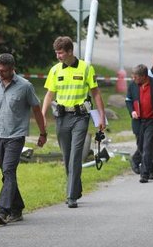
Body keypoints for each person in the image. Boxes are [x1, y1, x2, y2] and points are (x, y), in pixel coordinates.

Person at [0, 53, 47, 225]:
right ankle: (17, 207)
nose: (0, 74)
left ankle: (3, 210)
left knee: (9, 171)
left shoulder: (25, 87)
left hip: (16, 136)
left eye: (4, 71)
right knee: (7, 174)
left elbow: (37, 111)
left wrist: (43, 133)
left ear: (12, 69)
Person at [42, 36, 106, 208]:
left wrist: (101, 117)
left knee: (76, 155)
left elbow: (96, 93)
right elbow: (49, 94)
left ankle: (71, 196)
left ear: (70, 51)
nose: (58, 56)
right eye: (56, 53)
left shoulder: (86, 68)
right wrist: (42, 115)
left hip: (80, 117)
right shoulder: (55, 70)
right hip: (62, 118)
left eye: (61, 53)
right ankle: (75, 189)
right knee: (67, 156)